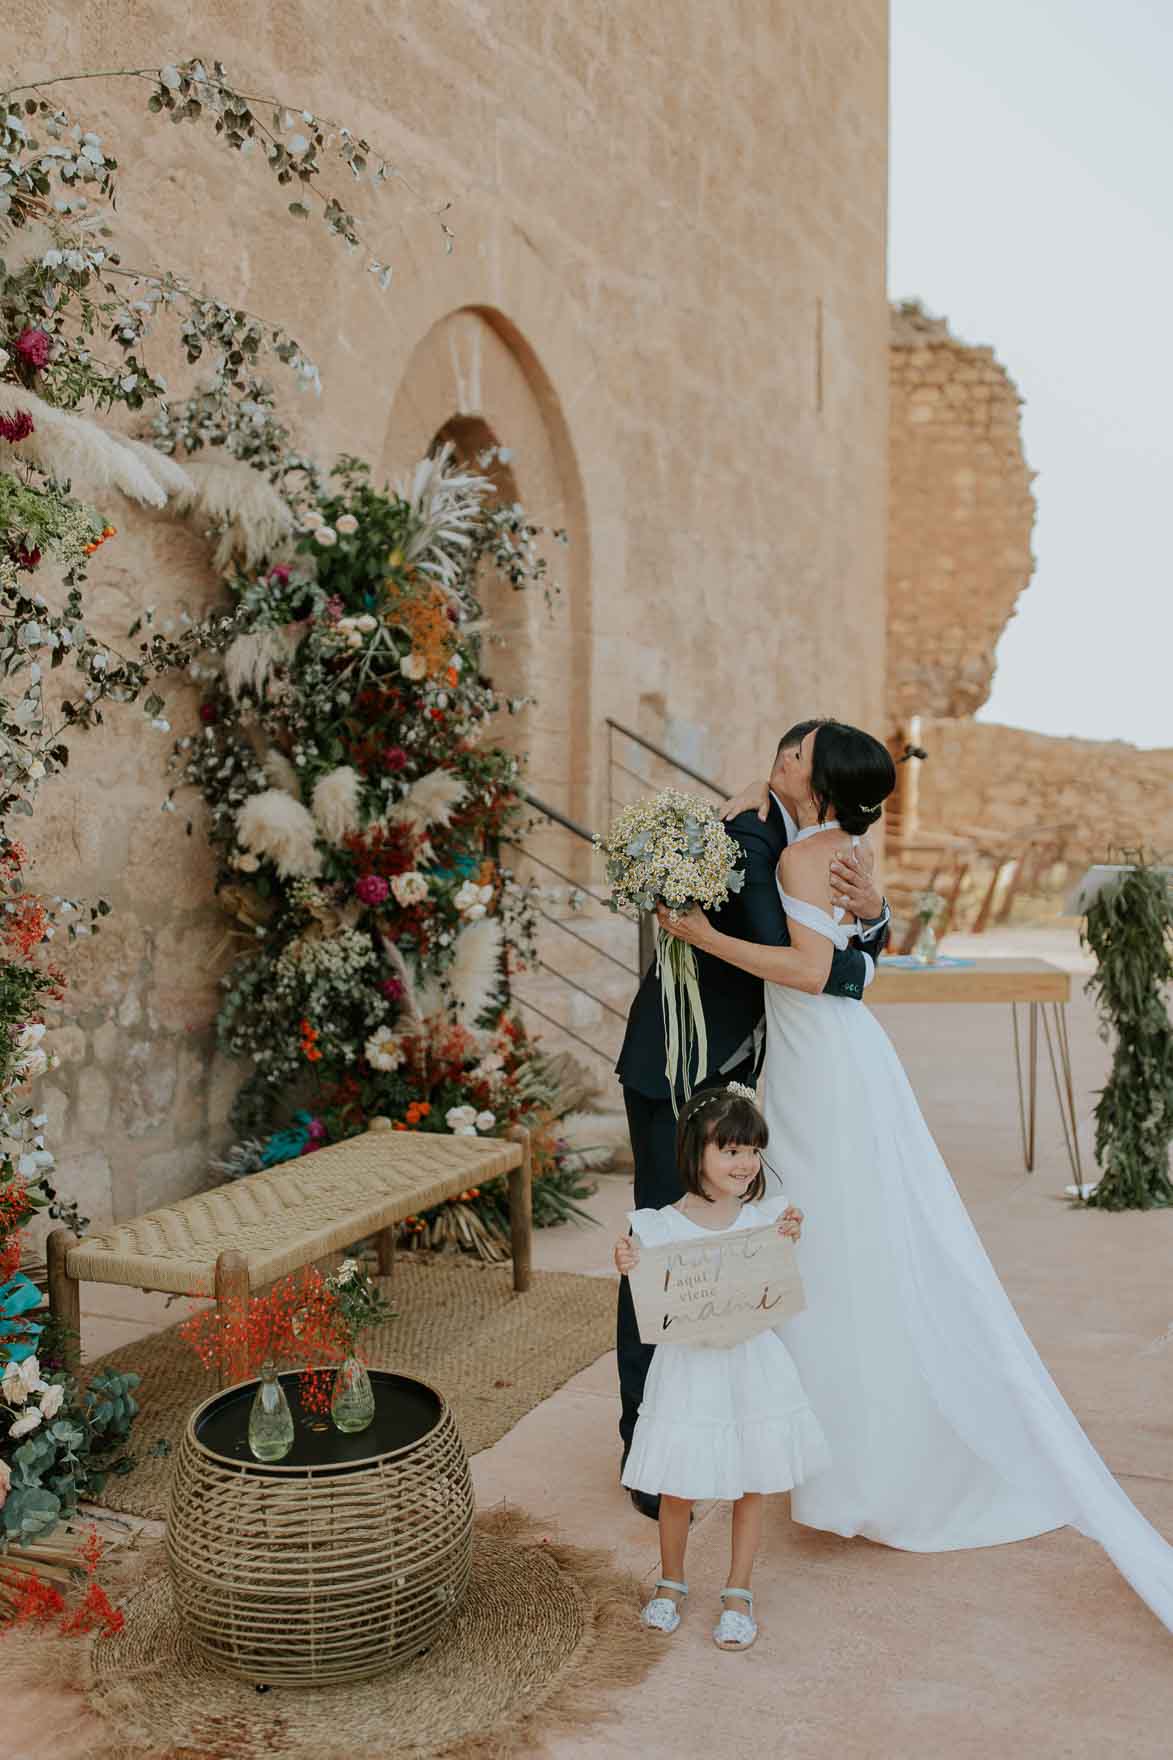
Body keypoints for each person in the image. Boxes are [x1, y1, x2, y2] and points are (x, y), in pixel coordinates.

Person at [660, 717, 1173, 1634]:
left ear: (816, 782)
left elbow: (813, 969)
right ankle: (839, 1449)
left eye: (792, 754)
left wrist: (699, 934)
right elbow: (851, 942)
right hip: (824, 1061)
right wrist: (784, 842)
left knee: (842, 1244)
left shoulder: (810, 853)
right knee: (845, 1245)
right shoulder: (835, 844)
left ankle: (864, 1461)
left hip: (825, 1055)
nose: (775, 757)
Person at [614, 719, 891, 1518]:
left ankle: (707, 1429)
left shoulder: (799, 838)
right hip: (677, 1066)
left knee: (723, 1252)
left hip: (739, 1066)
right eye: (788, 743)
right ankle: (645, 1454)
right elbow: (787, 949)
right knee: (662, 1249)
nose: (784, 753)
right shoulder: (747, 833)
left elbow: (832, 934)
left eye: (801, 752)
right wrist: (856, 968)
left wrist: (871, 915)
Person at [614, 1083, 829, 1651]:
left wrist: (788, 1236)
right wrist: (627, 1261)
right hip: (688, 1366)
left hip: (750, 1363)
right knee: (679, 1482)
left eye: (752, 1151)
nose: (744, 1163)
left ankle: (739, 1589)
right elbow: (646, 1282)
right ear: (696, 1152)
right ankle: (672, 1580)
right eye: (730, 1150)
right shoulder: (660, 1227)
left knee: (751, 1479)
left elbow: (775, 1277)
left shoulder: (763, 1220)